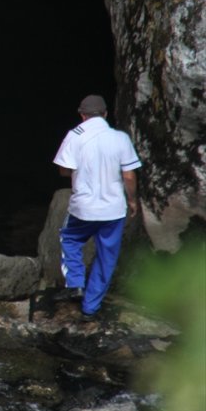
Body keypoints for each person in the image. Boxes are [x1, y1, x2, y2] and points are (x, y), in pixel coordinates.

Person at [53, 94, 142, 321]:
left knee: (70, 238)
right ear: (105, 114)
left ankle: (75, 284)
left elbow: (64, 169)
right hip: (113, 209)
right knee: (106, 256)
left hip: (83, 207)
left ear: (82, 115)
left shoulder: (76, 135)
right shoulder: (120, 138)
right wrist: (132, 200)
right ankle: (90, 307)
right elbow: (129, 175)